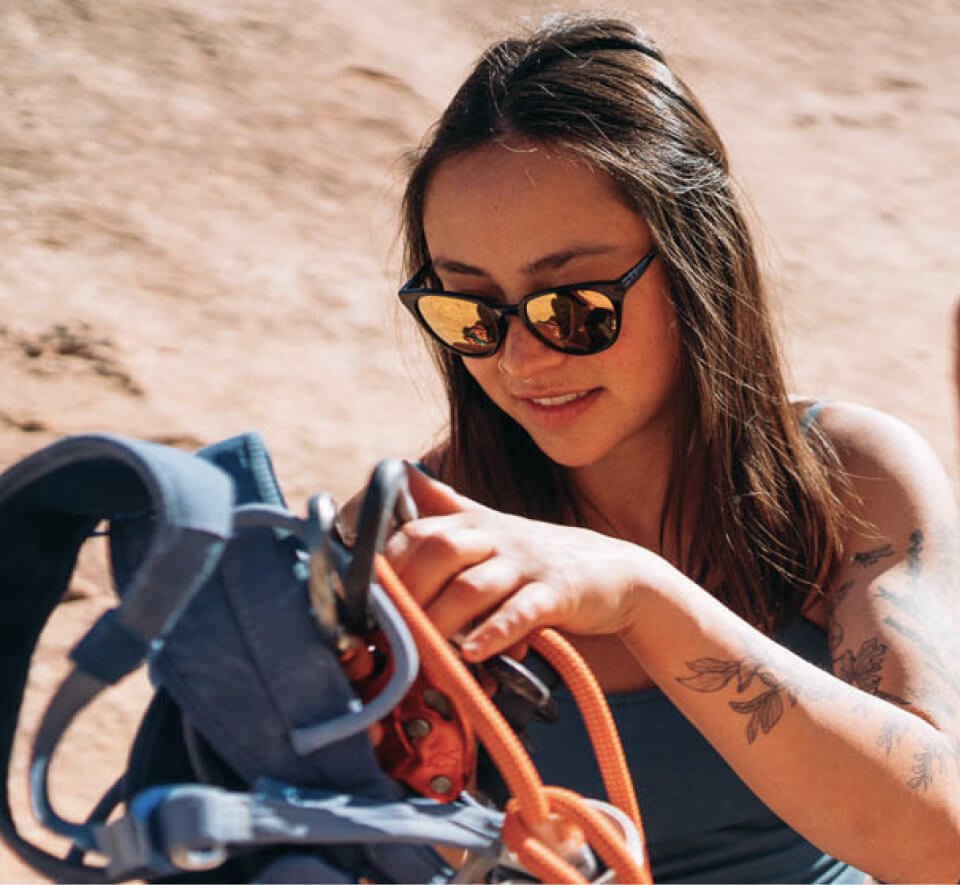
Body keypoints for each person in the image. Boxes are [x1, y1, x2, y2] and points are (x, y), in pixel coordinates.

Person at [378, 14, 960, 883]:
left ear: (699, 260)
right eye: (470, 310)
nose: (519, 357)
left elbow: (940, 835)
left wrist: (643, 598)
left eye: (571, 305)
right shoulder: (423, 530)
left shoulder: (847, 475)